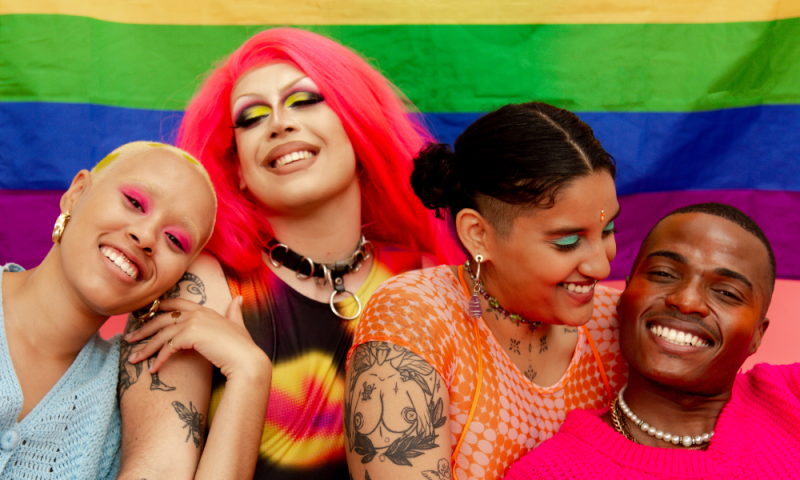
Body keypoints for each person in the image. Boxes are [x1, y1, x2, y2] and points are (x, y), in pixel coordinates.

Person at [116, 28, 449, 479]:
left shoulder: (423, 278)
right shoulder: (199, 286)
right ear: (236, 168)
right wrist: (248, 372)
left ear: (358, 126)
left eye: (305, 100)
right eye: (251, 117)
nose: (278, 123)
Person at [345, 102, 629, 480]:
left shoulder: (618, 321)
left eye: (607, 230)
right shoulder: (413, 316)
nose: (601, 267)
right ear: (478, 234)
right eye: (568, 241)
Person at [505, 203, 800, 479]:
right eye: (663, 273)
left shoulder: (789, 395)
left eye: (727, 293)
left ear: (757, 335)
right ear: (623, 298)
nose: (686, 301)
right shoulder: (551, 471)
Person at [0, 142, 221, 478]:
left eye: (175, 240)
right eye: (135, 202)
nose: (145, 237)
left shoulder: (125, 402)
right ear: (76, 193)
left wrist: (250, 374)